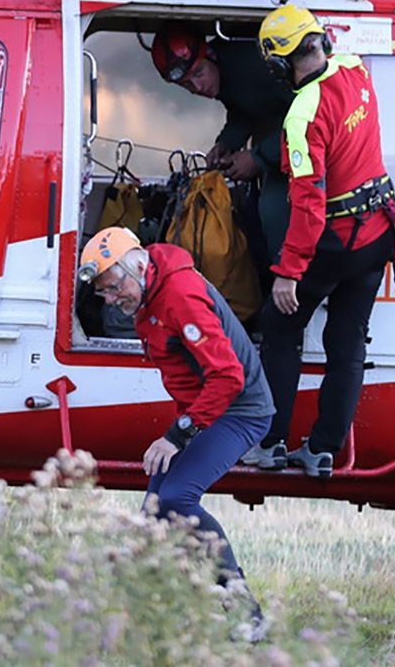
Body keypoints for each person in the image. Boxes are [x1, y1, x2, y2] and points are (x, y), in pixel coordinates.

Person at [77, 226, 275, 635]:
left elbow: (227, 378)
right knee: (154, 513)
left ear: (137, 264)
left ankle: (245, 611)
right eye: (104, 294)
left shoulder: (179, 294)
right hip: (208, 409)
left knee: (176, 498)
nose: (112, 301)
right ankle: (149, 615)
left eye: (114, 288)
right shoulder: (149, 291)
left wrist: (178, 434)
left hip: (240, 411)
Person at [243, 4, 395, 478]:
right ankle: (324, 449)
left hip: (334, 243)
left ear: (277, 64)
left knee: (281, 329)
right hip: (378, 235)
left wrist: (288, 273)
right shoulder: (355, 68)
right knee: (347, 344)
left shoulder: (301, 116)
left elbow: (308, 205)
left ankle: (269, 443)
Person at [151, 22, 294, 260]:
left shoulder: (258, 63)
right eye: (186, 84)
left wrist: (258, 158)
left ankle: (288, 289)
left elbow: (312, 118)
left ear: (212, 55)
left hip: (301, 160)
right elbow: (245, 109)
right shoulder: (224, 78)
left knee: (272, 212)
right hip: (274, 153)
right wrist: (226, 143)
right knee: (251, 216)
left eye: (198, 73)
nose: (197, 87)